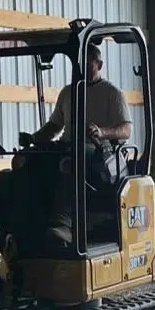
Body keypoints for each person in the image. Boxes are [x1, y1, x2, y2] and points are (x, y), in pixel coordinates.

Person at [27, 41, 132, 245]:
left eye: (88, 63)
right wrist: (32, 140)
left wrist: (102, 132)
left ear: (99, 65)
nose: (82, 67)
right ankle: (32, 221)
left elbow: (126, 129)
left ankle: (64, 224)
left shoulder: (112, 94)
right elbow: (54, 126)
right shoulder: (68, 92)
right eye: (79, 63)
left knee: (72, 158)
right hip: (69, 147)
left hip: (100, 153)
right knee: (31, 160)